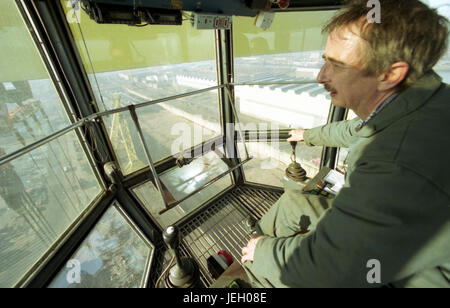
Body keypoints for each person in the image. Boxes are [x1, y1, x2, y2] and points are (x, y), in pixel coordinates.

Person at [241, 0, 450, 288]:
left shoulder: (395, 164)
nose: (320, 76)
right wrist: (309, 135)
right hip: (391, 241)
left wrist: (262, 252)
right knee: (292, 203)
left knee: (260, 267)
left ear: (390, 74)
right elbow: (356, 129)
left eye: (336, 65)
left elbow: (333, 267)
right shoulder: (422, 100)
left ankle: (250, 275)